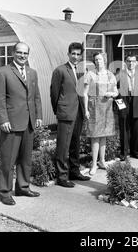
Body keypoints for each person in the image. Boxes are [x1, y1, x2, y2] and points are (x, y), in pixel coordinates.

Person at [0, 42, 42, 205]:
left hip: (28, 122)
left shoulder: (32, 73)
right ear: (13, 53)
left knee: (25, 158)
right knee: (8, 158)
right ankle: (5, 192)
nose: (22, 56)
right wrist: (3, 119)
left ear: (28, 55)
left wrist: (39, 115)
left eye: (25, 53)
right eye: (19, 53)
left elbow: (36, 97)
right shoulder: (3, 72)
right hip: (11, 123)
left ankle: (23, 187)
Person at [50, 42, 91, 188]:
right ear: (68, 54)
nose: (75, 56)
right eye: (73, 53)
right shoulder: (60, 70)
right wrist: (59, 110)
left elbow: (82, 92)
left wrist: (84, 110)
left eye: (78, 54)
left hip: (78, 112)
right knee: (63, 146)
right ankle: (62, 176)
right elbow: (54, 93)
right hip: (66, 113)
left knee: (75, 143)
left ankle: (74, 171)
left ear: (81, 56)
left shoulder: (81, 70)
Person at [84, 52, 119, 175]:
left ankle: (102, 161)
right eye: (96, 60)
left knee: (104, 135)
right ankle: (94, 164)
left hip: (106, 107)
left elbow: (116, 91)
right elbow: (85, 93)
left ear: (104, 60)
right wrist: (86, 110)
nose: (98, 62)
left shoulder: (110, 75)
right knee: (95, 136)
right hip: (94, 107)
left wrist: (112, 94)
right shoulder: (90, 74)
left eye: (100, 59)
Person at [116, 55, 138, 160]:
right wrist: (120, 107)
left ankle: (135, 151)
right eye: (129, 61)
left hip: (137, 104)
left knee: (136, 130)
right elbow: (116, 92)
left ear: (136, 62)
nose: (131, 63)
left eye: (133, 61)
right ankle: (124, 153)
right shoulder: (120, 74)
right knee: (124, 129)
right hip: (124, 103)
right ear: (125, 62)